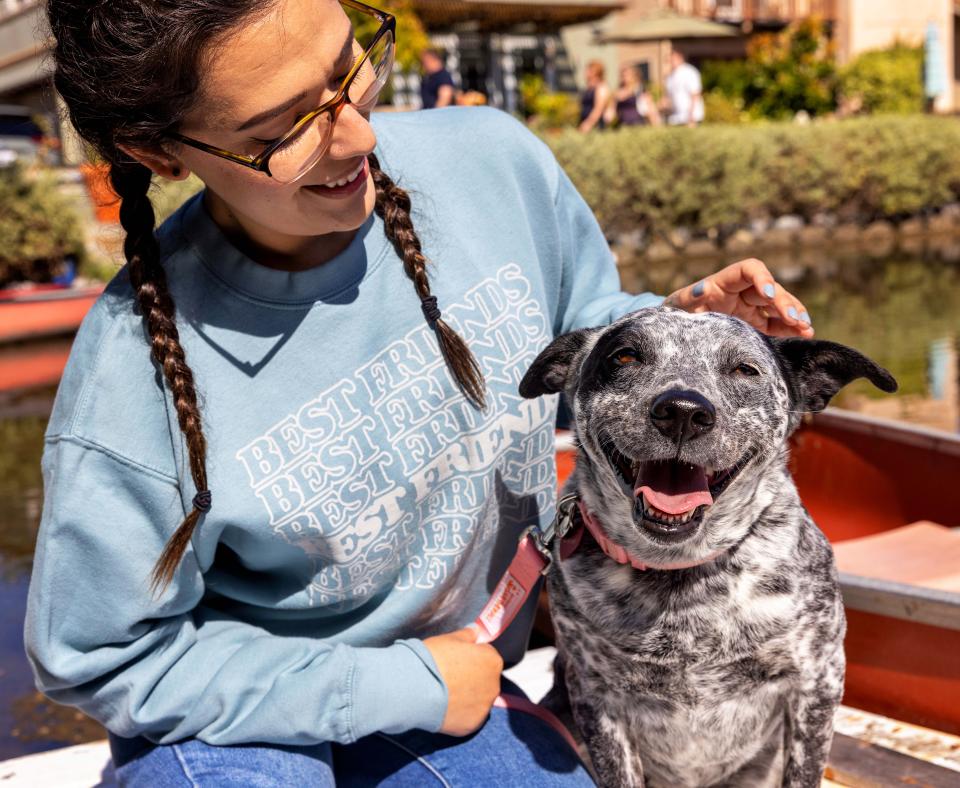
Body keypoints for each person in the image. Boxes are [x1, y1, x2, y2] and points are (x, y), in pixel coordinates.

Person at [24, 0, 813, 784]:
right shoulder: (127, 377)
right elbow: (100, 656)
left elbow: (577, 356)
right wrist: (405, 685)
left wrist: (674, 338)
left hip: (459, 689)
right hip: (235, 713)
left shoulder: (495, 165)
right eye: (281, 132)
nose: (360, 134)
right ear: (156, 151)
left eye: (347, 69)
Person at [664, 49, 705, 127]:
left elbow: (695, 94)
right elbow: (668, 98)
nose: (670, 63)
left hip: (691, 116)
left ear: (680, 58)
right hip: (677, 117)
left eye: (672, 60)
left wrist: (691, 115)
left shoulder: (689, 72)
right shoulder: (670, 77)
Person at [578, 60, 612, 133]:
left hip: (595, 125)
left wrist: (589, 123)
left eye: (588, 70)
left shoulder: (601, 87)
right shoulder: (588, 88)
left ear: (595, 72)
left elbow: (598, 108)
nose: (585, 72)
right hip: (584, 121)